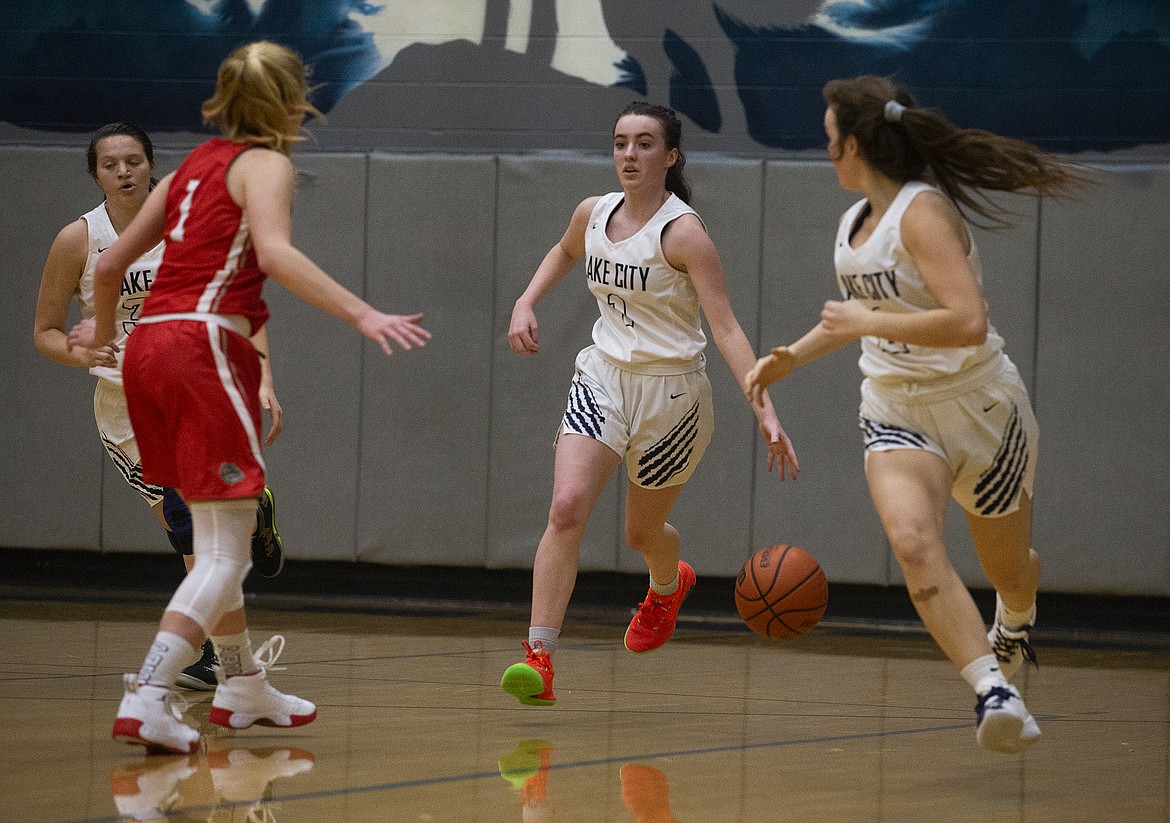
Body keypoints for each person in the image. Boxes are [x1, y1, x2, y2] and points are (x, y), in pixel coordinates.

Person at [67, 41, 431, 754]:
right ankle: (148, 694)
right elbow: (275, 254)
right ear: (296, 103)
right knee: (226, 555)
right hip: (202, 347)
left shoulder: (186, 170)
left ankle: (240, 686)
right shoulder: (267, 164)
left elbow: (109, 264)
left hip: (145, 351)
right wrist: (363, 313)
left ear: (223, 99)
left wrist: (104, 335)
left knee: (212, 538)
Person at [745, 75, 1089, 754]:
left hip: (980, 407)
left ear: (854, 146)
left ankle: (1017, 613)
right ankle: (994, 689)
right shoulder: (852, 226)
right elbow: (858, 322)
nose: (826, 151)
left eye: (828, 139)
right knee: (911, 539)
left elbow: (967, 320)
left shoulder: (922, 212)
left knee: (1010, 569)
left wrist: (862, 320)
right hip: (896, 407)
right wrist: (793, 356)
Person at [500, 101, 799, 707]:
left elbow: (728, 330)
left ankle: (668, 584)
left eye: (643, 144)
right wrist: (525, 301)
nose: (628, 155)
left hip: (672, 396)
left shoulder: (685, 233)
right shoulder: (593, 212)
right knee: (565, 508)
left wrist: (764, 408)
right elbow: (564, 252)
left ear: (671, 155)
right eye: (619, 143)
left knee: (643, 533)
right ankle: (539, 656)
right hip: (602, 378)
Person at [33, 122, 287, 692]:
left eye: (133, 161)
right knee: (199, 545)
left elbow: (238, 301)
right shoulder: (79, 240)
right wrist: (85, 354)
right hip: (128, 408)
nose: (123, 172)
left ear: (152, 166)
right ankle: (228, 666)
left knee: (199, 544)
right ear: (95, 174)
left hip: (196, 387)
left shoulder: (189, 225)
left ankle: (205, 671)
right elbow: (45, 332)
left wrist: (264, 376)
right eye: (109, 164)